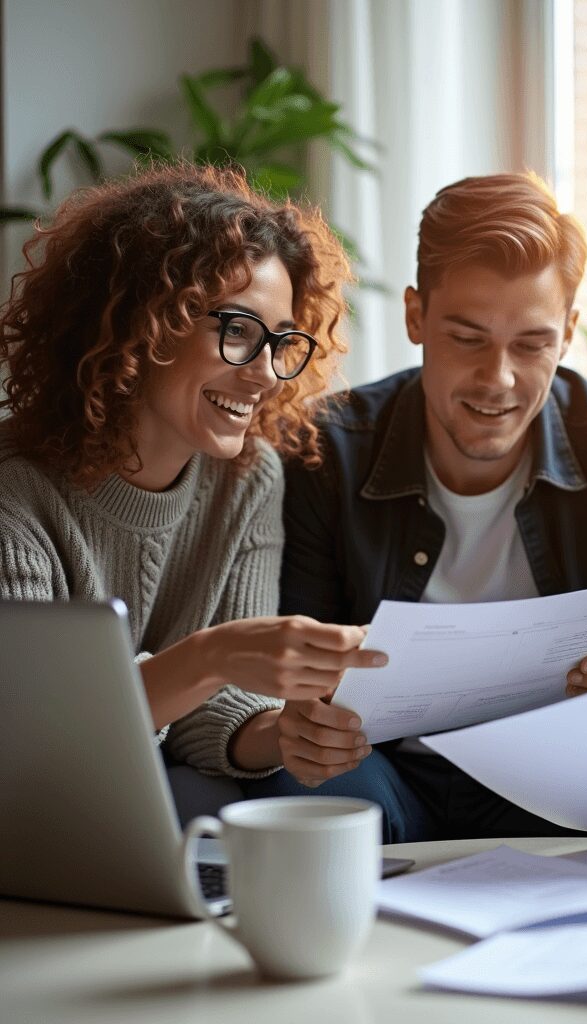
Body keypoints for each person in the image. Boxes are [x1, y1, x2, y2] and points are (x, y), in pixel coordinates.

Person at [269, 171, 587, 843]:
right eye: (468, 338)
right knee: (307, 793)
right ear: (416, 316)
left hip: (564, 774)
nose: (498, 379)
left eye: (532, 344)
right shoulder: (329, 451)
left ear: (568, 332)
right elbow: (289, 669)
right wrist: (308, 720)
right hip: (383, 772)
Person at [0, 163, 385, 797]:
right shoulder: (17, 498)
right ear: (140, 323)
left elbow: (217, 709)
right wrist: (211, 656)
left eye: (282, 342)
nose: (266, 375)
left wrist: (283, 733)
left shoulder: (248, 478)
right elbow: (37, 743)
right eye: (238, 331)